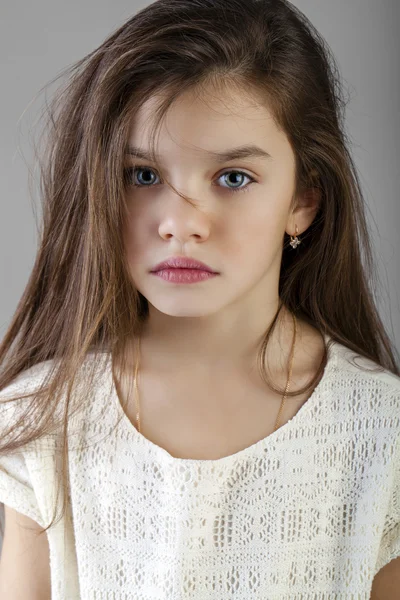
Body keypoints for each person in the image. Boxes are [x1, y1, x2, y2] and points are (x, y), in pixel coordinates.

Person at [0, 0, 399, 598]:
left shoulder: (382, 435)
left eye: (233, 177)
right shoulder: (41, 419)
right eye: (142, 175)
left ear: (303, 202)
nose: (180, 225)